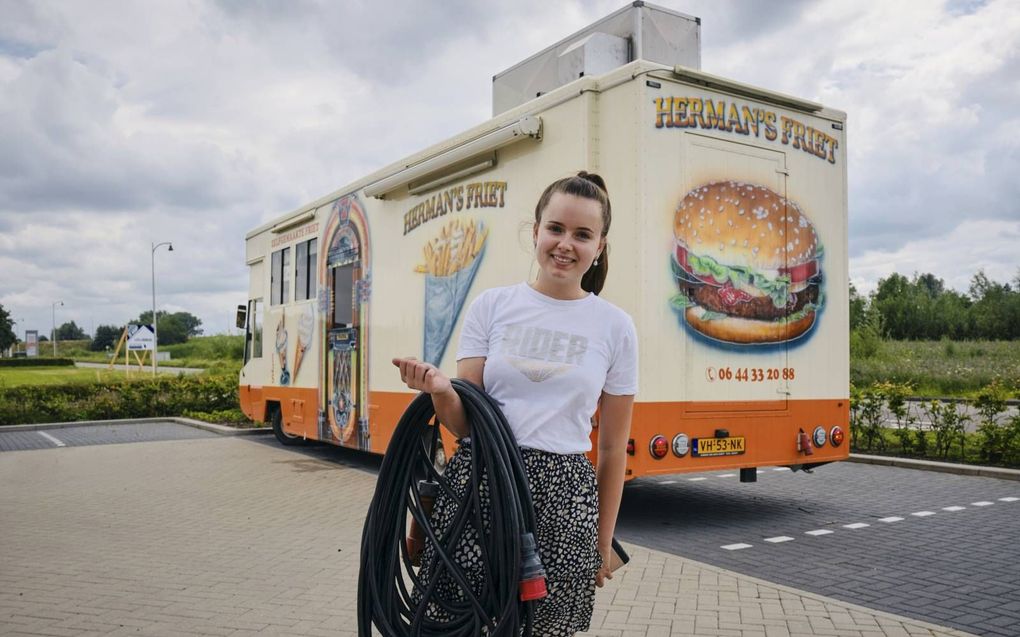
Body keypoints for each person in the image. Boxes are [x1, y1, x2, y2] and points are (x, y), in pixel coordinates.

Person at [392, 171, 638, 636]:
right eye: (556, 229)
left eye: (583, 234)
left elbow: (610, 450)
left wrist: (602, 543)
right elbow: (466, 424)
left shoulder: (615, 327)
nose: (566, 244)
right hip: (480, 480)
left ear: (600, 246)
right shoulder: (492, 306)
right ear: (536, 232)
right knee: (452, 620)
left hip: (566, 497)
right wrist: (442, 390)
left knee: (548, 628)